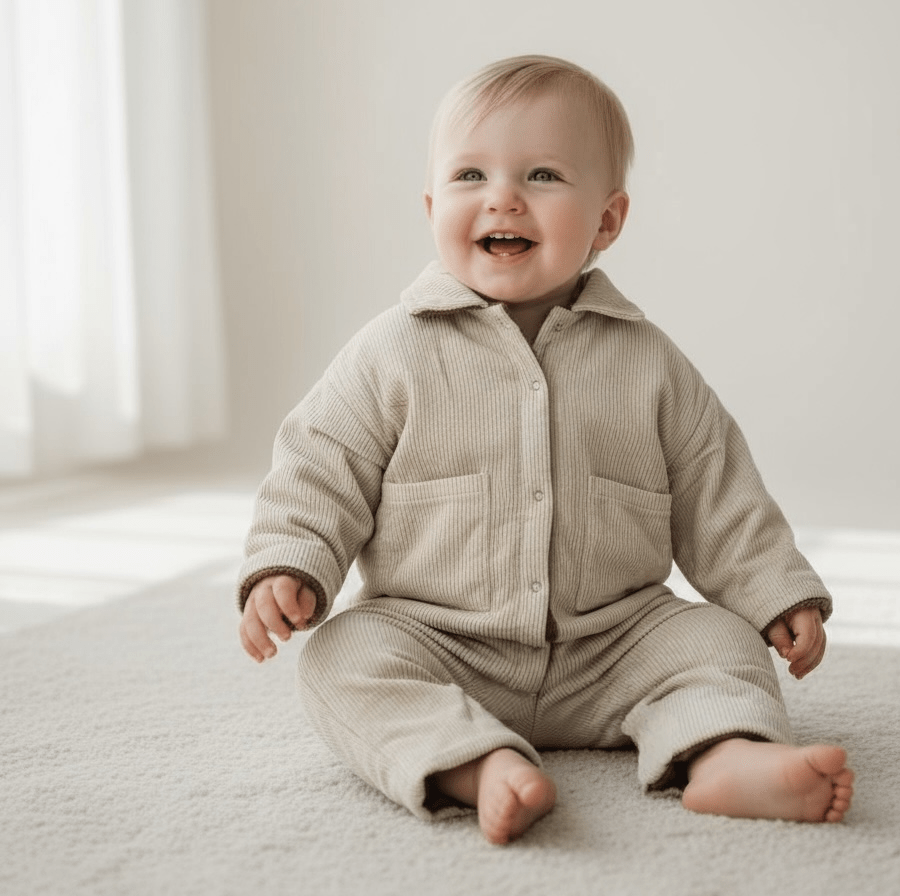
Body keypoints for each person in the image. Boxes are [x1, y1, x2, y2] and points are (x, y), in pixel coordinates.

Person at [236, 55, 854, 845]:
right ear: (432, 206)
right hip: (440, 639)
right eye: (469, 175)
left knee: (717, 642)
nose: (503, 196)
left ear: (607, 220)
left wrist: (775, 591)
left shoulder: (648, 360)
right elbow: (320, 466)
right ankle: (474, 763)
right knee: (341, 656)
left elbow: (717, 485)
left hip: (615, 642)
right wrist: (289, 562)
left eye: (542, 174)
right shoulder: (390, 352)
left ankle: (724, 756)